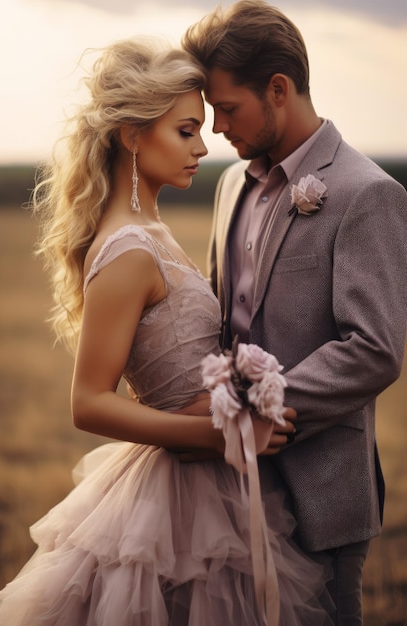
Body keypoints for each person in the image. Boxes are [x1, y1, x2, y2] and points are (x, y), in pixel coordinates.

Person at [0, 37, 334, 626]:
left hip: (215, 484)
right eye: (185, 130)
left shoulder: (155, 229)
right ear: (132, 135)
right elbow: (88, 403)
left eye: (202, 128)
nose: (203, 146)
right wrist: (213, 434)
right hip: (173, 497)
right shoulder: (127, 248)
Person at [182, 1, 407, 624]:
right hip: (224, 487)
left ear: (278, 89)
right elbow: (221, 312)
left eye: (228, 108)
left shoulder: (369, 194)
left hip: (321, 491)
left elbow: (375, 347)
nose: (217, 126)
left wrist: (260, 407)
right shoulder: (230, 184)